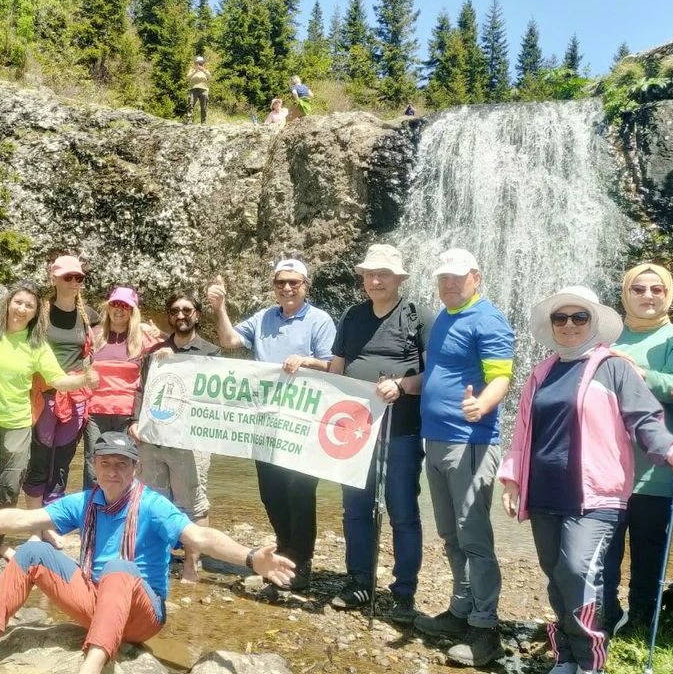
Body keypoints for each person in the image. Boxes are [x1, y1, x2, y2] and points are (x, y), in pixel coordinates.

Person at [0, 432, 297, 674]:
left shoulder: (153, 505)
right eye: (106, 463)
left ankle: (93, 665)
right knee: (30, 553)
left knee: (118, 568)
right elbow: (20, 517)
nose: (113, 471)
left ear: (136, 468)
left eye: (122, 464)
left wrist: (251, 558)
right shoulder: (86, 501)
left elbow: (201, 536)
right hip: (94, 599)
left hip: (142, 614)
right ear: (94, 467)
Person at [497, 286, 673, 674]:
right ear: (551, 325)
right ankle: (567, 654)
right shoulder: (541, 372)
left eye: (580, 317)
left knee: (578, 571)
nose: (569, 325)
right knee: (557, 576)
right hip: (543, 491)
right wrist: (512, 479)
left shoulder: (614, 366)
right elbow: (523, 432)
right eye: (561, 318)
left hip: (595, 494)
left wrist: (670, 450)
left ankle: (591, 659)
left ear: (593, 324)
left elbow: (645, 417)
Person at [207, 258, 336, 591]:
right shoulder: (264, 317)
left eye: (294, 282)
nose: (287, 288)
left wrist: (307, 362)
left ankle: (302, 563)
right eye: (281, 283)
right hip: (265, 421)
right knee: (271, 491)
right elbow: (230, 341)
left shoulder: (320, 320)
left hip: (303, 423)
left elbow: (333, 366)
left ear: (306, 285)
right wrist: (219, 308)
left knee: (300, 491)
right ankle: (284, 551)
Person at [413, 248, 512, 666]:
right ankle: (460, 609)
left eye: (456, 277)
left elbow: (501, 377)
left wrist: (482, 405)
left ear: (476, 276)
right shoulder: (444, 319)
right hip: (435, 439)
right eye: (443, 278)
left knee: (473, 536)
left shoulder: (488, 319)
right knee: (450, 534)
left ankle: (485, 628)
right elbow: (438, 374)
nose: (449, 284)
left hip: (470, 440)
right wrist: (401, 386)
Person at [0, 281, 98, 575]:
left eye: (29, 306)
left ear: (36, 313)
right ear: (8, 303)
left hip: (19, 422)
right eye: (18, 303)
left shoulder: (36, 344)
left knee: (10, 485)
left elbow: (58, 379)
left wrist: (84, 380)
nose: (22, 309)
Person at [327, 244, 429, 623]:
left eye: (383, 274)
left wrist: (402, 386)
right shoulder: (352, 316)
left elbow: (435, 375)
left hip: (400, 431)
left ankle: (404, 592)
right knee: (355, 509)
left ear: (400, 278)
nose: (375, 280)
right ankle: (359, 580)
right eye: (369, 274)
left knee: (402, 510)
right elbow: (337, 368)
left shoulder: (420, 317)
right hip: (354, 432)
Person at [601, 264, 673, 633]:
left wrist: (637, 373)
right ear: (625, 293)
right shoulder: (608, 335)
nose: (647, 296)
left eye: (657, 290)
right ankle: (605, 611)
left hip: (655, 465)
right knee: (606, 547)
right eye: (638, 289)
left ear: (668, 295)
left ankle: (642, 616)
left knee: (648, 547)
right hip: (609, 460)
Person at [128, 292, 222, 583]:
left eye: (187, 310)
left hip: (189, 444)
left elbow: (215, 397)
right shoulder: (155, 352)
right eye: (175, 311)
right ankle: (154, 560)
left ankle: (192, 565)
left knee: (194, 503)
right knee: (152, 501)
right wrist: (134, 421)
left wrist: (181, 361)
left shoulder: (211, 352)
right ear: (169, 316)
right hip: (153, 440)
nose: (181, 315)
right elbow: (142, 390)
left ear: (197, 314)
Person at [25, 255, 101, 508]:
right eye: (67, 277)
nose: (74, 282)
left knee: (63, 459)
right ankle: (35, 522)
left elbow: (118, 331)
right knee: (40, 457)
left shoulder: (88, 315)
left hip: (76, 396)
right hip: (45, 393)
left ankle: (52, 516)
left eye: (78, 277)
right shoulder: (40, 312)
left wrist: (152, 334)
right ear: (54, 278)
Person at [83, 286, 159, 490]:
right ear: (108, 307)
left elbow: (174, 346)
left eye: (125, 306)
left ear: (132, 311)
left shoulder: (143, 338)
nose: (119, 309)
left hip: (127, 413)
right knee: (94, 462)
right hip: (95, 411)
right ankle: (91, 511)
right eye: (115, 304)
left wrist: (159, 333)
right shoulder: (95, 335)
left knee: (123, 464)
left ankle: (119, 512)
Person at [185, 56, 210, 124]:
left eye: (201, 63)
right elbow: (187, 78)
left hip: (204, 90)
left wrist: (203, 70)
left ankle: (203, 122)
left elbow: (209, 76)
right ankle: (189, 120)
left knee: (204, 106)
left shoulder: (205, 70)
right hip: (193, 89)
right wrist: (195, 71)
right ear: (195, 63)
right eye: (198, 63)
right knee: (190, 104)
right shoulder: (192, 70)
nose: (200, 64)